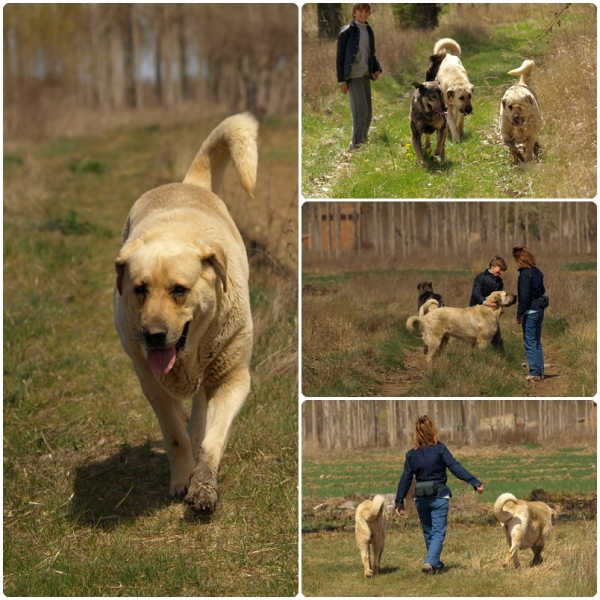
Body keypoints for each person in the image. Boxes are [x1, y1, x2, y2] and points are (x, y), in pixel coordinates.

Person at [395, 415, 484, 574]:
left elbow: (406, 478)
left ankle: (434, 564)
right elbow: (455, 467)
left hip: (420, 498)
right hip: (439, 497)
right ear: (432, 430)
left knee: (429, 532)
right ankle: (430, 562)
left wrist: (399, 501)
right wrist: (474, 482)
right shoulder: (440, 449)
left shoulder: (411, 454)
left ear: (416, 433)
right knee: (438, 532)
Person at [336, 3, 382, 151]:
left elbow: (370, 54)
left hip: (365, 75)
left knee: (368, 110)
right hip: (353, 75)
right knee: (360, 110)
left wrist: (377, 68)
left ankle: (363, 141)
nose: (363, 13)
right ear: (354, 13)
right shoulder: (346, 32)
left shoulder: (369, 30)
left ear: (369, 13)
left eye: (366, 11)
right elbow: (340, 58)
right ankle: (355, 144)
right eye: (360, 10)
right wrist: (341, 80)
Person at [513, 245, 546, 381]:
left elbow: (525, 296)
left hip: (530, 311)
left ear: (520, 259)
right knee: (537, 341)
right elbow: (542, 290)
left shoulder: (525, 275)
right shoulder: (537, 271)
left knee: (529, 341)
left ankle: (534, 372)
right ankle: (540, 370)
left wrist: (519, 314)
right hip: (539, 310)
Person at [469, 255, 508, 353]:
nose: (501, 272)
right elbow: (476, 293)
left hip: (492, 315)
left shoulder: (499, 281)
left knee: (497, 338)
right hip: (477, 314)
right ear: (493, 266)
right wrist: (485, 302)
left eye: (503, 270)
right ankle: (474, 357)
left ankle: (502, 358)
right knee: (475, 338)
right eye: (500, 269)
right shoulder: (480, 278)